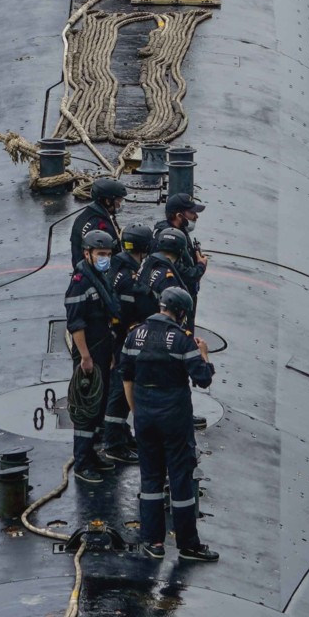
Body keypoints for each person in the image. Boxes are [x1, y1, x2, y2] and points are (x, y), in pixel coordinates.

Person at [120, 284, 219, 561]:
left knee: (150, 477)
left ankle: (153, 542)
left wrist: (136, 411)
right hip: (174, 417)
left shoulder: (134, 336)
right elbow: (203, 379)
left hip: (144, 416)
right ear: (181, 312)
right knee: (180, 478)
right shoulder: (182, 340)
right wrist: (205, 356)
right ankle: (188, 545)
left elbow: (126, 375)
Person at [65, 227, 123, 481]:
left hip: (102, 350)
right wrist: (85, 358)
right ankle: (81, 462)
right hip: (89, 355)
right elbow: (76, 325)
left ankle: (91, 454)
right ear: (87, 254)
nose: (105, 258)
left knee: (99, 406)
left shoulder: (99, 279)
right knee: (87, 411)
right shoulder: (80, 284)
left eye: (108, 254)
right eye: (101, 253)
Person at [102, 224, 157, 460]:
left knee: (119, 390)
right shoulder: (128, 278)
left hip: (113, 338)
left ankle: (121, 435)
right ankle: (113, 444)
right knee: (120, 393)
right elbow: (138, 309)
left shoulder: (116, 267)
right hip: (121, 341)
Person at [153, 191, 207, 312]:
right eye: (192, 213)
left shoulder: (179, 231)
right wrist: (200, 267)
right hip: (175, 302)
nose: (196, 217)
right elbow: (181, 273)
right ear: (179, 216)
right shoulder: (166, 241)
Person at [70, 174, 128, 265]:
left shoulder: (87, 214)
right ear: (108, 201)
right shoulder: (99, 225)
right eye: (119, 201)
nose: (121, 204)